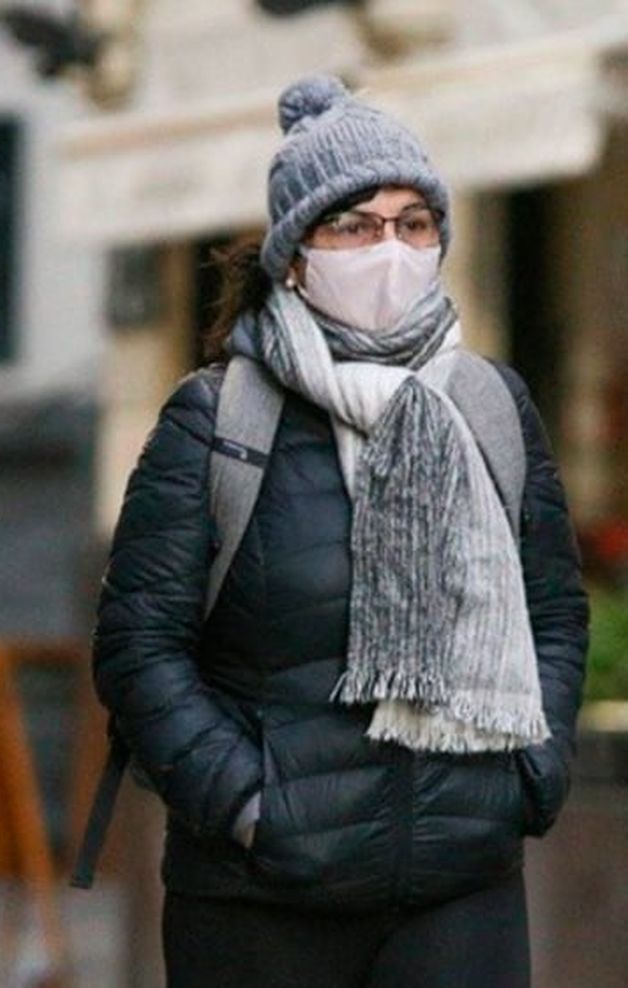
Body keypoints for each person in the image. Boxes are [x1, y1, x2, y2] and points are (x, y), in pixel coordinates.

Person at [92, 75, 588, 987]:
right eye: (354, 226)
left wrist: (533, 773)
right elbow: (138, 649)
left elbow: (553, 612)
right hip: (265, 899)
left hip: (462, 883)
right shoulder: (219, 421)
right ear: (294, 257)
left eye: (413, 222)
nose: (390, 248)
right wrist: (247, 804)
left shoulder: (488, 406)